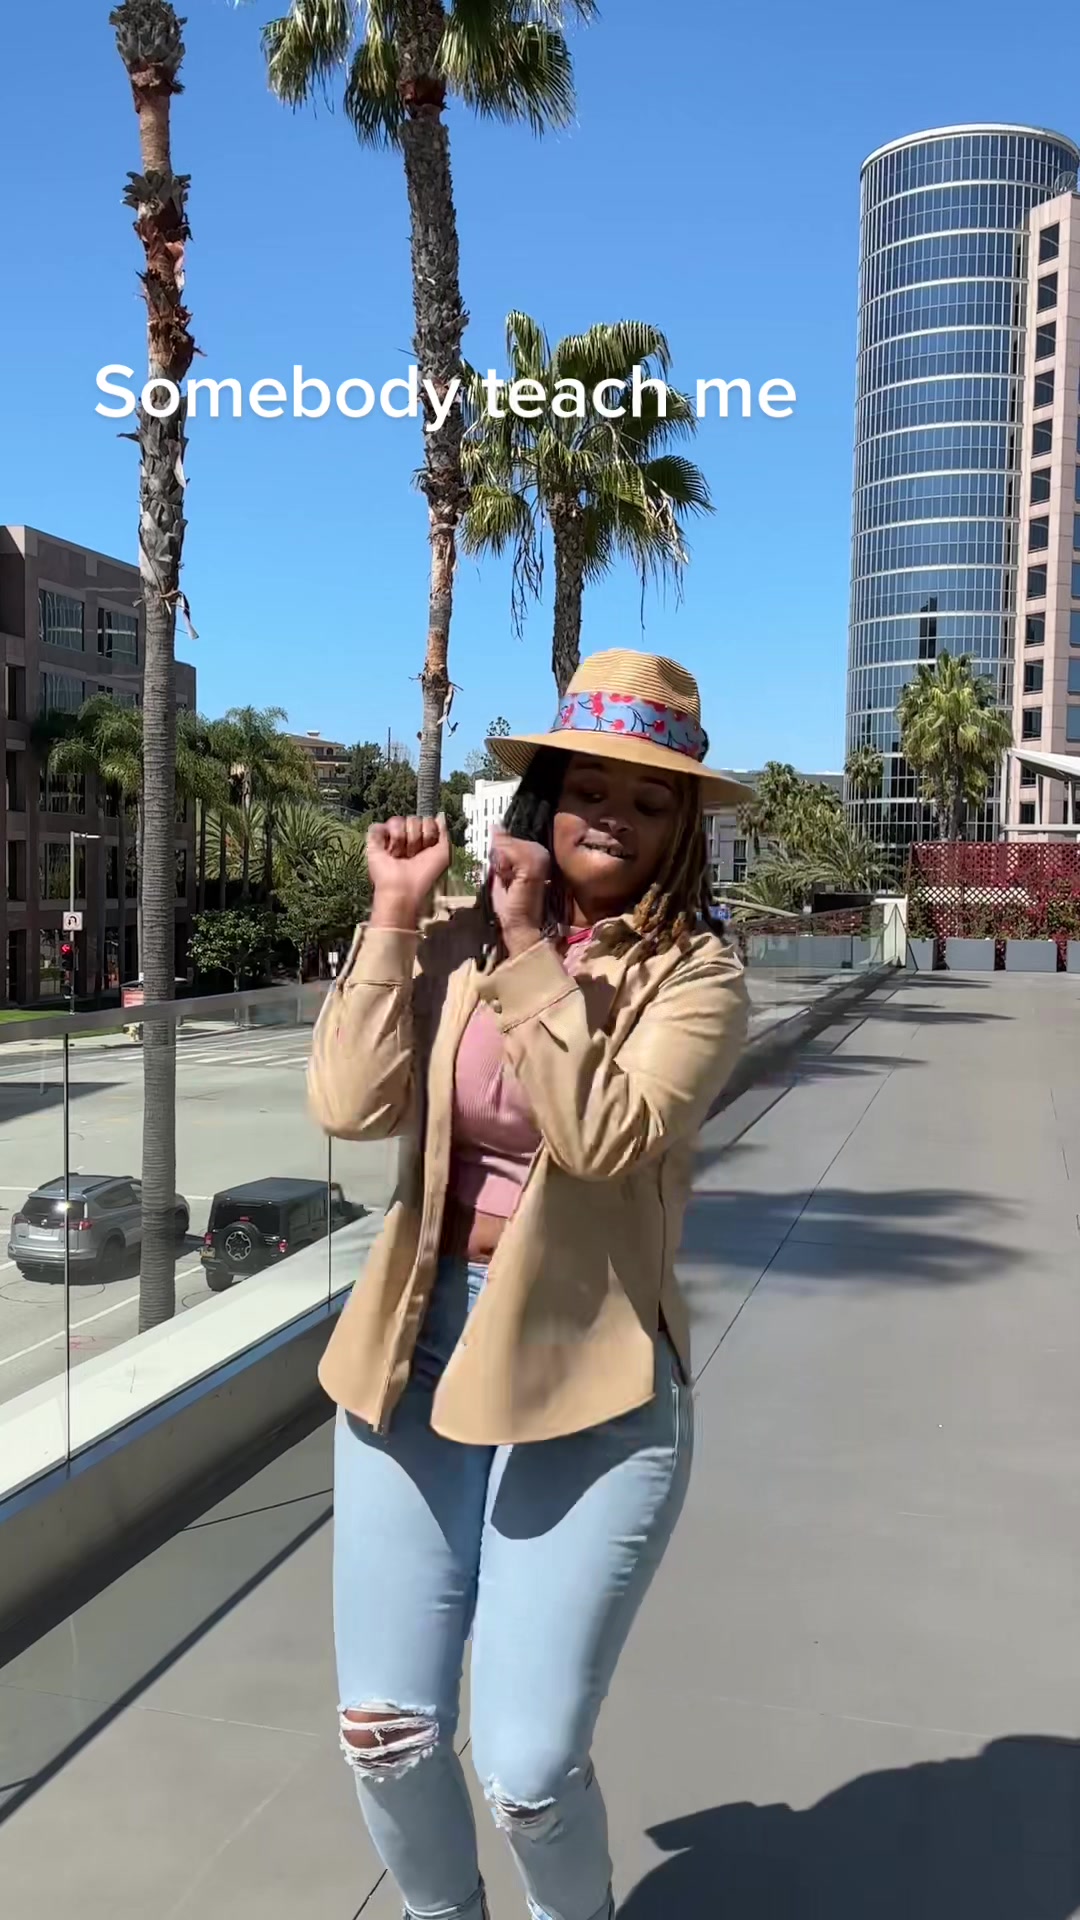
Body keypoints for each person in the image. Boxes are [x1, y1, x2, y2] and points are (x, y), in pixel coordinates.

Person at [308, 649, 751, 1920]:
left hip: (591, 1368)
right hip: (416, 1342)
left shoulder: (698, 979)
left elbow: (604, 1137)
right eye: (588, 788)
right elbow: (347, 1105)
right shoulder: (450, 937)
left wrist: (522, 948)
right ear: (546, 798)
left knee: (529, 1775)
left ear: (681, 830)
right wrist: (396, 917)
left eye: (649, 800)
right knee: (386, 1732)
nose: (613, 817)